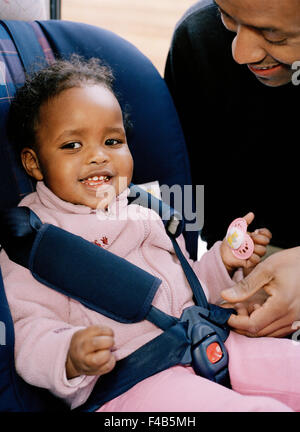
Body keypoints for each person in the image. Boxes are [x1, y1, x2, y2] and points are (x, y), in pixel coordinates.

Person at [2, 55, 300, 412]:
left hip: (208, 342)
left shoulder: (147, 210)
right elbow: (28, 329)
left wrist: (223, 260)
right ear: (33, 162)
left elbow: (189, 291)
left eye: (112, 141)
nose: (98, 156)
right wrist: (70, 354)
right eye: (72, 146)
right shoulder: (33, 241)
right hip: (131, 383)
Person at [164, 0, 300, 338]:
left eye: (274, 36)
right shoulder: (198, 39)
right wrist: (193, 272)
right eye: (229, 19)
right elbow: (181, 192)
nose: (241, 53)